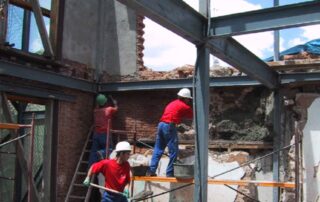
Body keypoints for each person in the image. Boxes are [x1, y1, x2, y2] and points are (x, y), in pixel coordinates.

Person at [147, 88, 193, 177]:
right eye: (188, 99)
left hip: (161, 125)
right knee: (174, 151)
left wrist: (177, 124)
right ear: (185, 98)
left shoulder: (173, 103)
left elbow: (174, 114)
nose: (189, 101)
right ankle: (170, 173)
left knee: (158, 149)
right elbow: (193, 115)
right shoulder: (184, 106)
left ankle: (151, 171)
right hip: (169, 126)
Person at [88, 94, 118, 168]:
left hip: (96, 134)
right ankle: (102, 152)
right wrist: (114, 102)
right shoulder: (109, 109)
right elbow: (116, 109)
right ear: (105, 102)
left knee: (93, 153)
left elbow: (98, 106)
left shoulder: (95, 111)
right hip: (105, 134)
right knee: (110, 149)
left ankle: (90, 168)